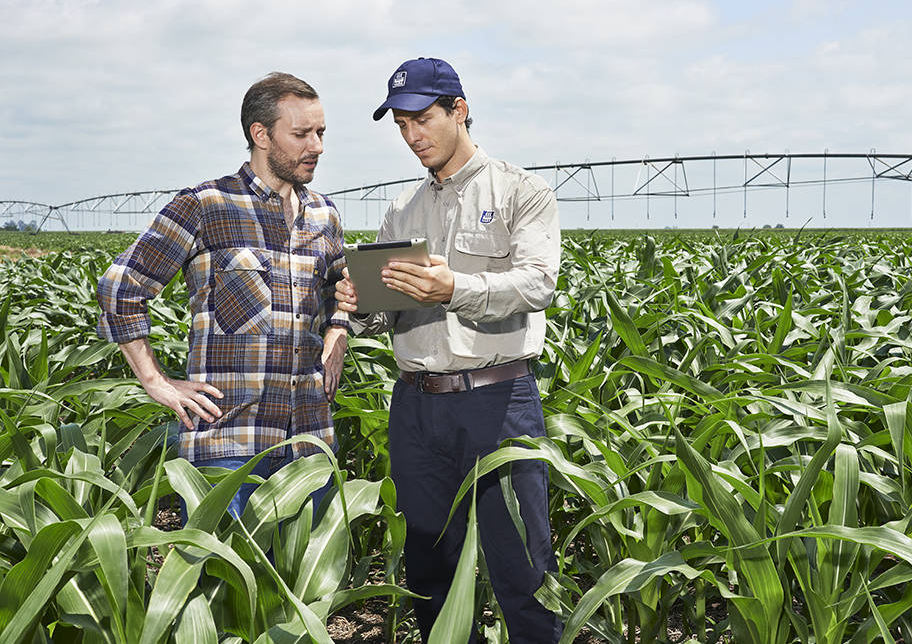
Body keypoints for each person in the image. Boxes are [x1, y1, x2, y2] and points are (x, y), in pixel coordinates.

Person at [335, 57, 563, 643]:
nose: (412, 136)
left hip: (497, 400)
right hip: (416, 408)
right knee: (429, 570)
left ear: (459, 110)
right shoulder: (402, 211)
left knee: (523, 567)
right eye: (401, 125)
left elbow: (538, 283)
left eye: (423, 119)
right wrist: (359, 303)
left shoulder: (521, 192)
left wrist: (456, 288)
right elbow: (385, 310)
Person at [97, 72, 348, 519]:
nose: (317, 146)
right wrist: (156, 382)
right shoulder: (206, 205)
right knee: (226, 584)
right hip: (229, 445)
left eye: (321, 132)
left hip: (311, 445)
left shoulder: (324, 215)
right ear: (261, 135)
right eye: (302, 134)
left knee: (309, 588)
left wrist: (338, 335)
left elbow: (338, 296)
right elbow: (121, 287)